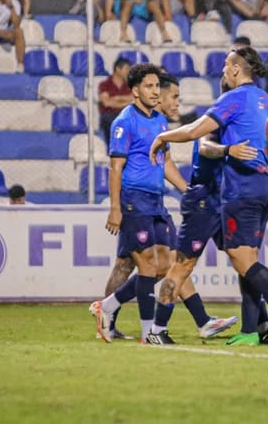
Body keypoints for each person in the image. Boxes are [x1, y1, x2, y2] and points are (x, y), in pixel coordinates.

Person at [148, 47, 268, 347]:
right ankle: (253, 329)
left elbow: (198, 133)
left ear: (236, 70)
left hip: (238, 191)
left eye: (226, 65)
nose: (222, 70)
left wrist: (163, 136)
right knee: (242, 262)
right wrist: (267, 159)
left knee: (237, 263)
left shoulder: (231, 103)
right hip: (242, 190)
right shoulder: (263, 100)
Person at [89, 64, 188, 343]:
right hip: (133, 199)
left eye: (157, 86)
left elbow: (165, 162)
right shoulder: (124, 122)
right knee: (145, 264)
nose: (156, 91)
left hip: (156, 200)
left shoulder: (159, 121)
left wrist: (186, 190)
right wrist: (115, 208)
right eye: (149, 86)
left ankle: (107, 307)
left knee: (163, 266)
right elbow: (115, 168)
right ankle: (148, 333)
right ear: (134, 91)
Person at [98, 57, 133, 143]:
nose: (129, 72)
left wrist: (116, 98)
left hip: (126, 115)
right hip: (110, 116)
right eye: (127, 69)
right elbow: (106, 103)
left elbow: (134, 100)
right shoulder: (105, 84)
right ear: (118, 69)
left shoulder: (130, 85)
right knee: (112, 121)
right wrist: (127, 101)